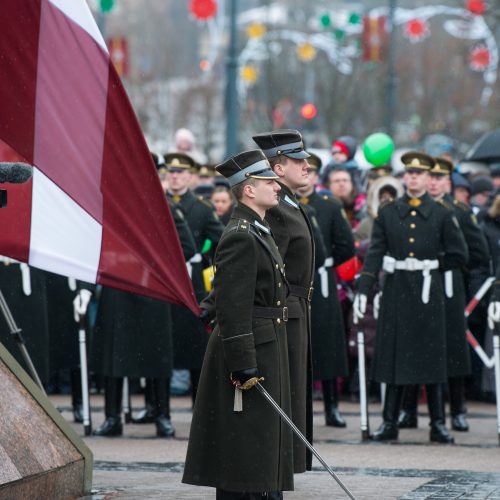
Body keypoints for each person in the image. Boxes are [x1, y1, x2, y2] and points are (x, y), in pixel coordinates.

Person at [182, 149, 294, 498]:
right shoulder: (241, 235)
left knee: (260, 440)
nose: (277, 187)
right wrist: (243, 363)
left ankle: (265, 490)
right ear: (249, 189)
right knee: (245, 445)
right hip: (250, 349)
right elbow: (233, 307)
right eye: (268, 182)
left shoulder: (257, 229)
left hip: (266, 343)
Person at [353, 151, 468, 444]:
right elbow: (375, 254)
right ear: (405, 177)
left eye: (419, 174)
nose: (414, 178)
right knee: (393, 358)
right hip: (397, 291)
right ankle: (389, 421)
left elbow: (460, 254)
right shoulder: (389, 212)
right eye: (410, 173)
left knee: (433, 359)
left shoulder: (442, 213)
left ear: (429, 178)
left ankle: (438, 424)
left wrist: (434, 264)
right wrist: (363, 291)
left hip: (429, 293)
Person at [398, 157, 489, 432]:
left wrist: (456, 270)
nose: (435, 183)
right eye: (431, 178)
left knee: (452, 351)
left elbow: (478, 253)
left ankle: (458, 409)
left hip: (449, 286)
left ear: (448, 182)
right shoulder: (414, 208)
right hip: (420, 284)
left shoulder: (458, 211)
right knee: (415, 346)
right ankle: (408, 409)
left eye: (440, 179)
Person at [253, 129, 319, 473]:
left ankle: (285, 463)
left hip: (297, 310)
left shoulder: (290, 203)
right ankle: (278, 465)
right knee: (285, 393)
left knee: (294, 392)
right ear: (278, 169)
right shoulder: (278, 209)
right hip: (285, 312)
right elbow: (268, 267)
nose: (306, 166)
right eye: (298, 161)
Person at [296, 152, 355, 427]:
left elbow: (346, 245)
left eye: (310, 172)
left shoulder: (329, 205)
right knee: (298, 343)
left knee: (328, 345)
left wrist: (327, 261)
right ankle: (298, 405)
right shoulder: (284, 202)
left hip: (322, 280)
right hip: (295, 279)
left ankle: (332, 406)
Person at [165, 152, 225, 404]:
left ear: (190, 177)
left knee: (193, 348)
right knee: (162, 347)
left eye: (180, 173)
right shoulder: (158, 203)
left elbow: (222, 240)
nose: (175, 177)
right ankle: (156, 407)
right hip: (166, 281)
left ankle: (199, 405)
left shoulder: (201, 208)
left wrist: (207, 260)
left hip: (193, 284)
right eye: (171, 172)